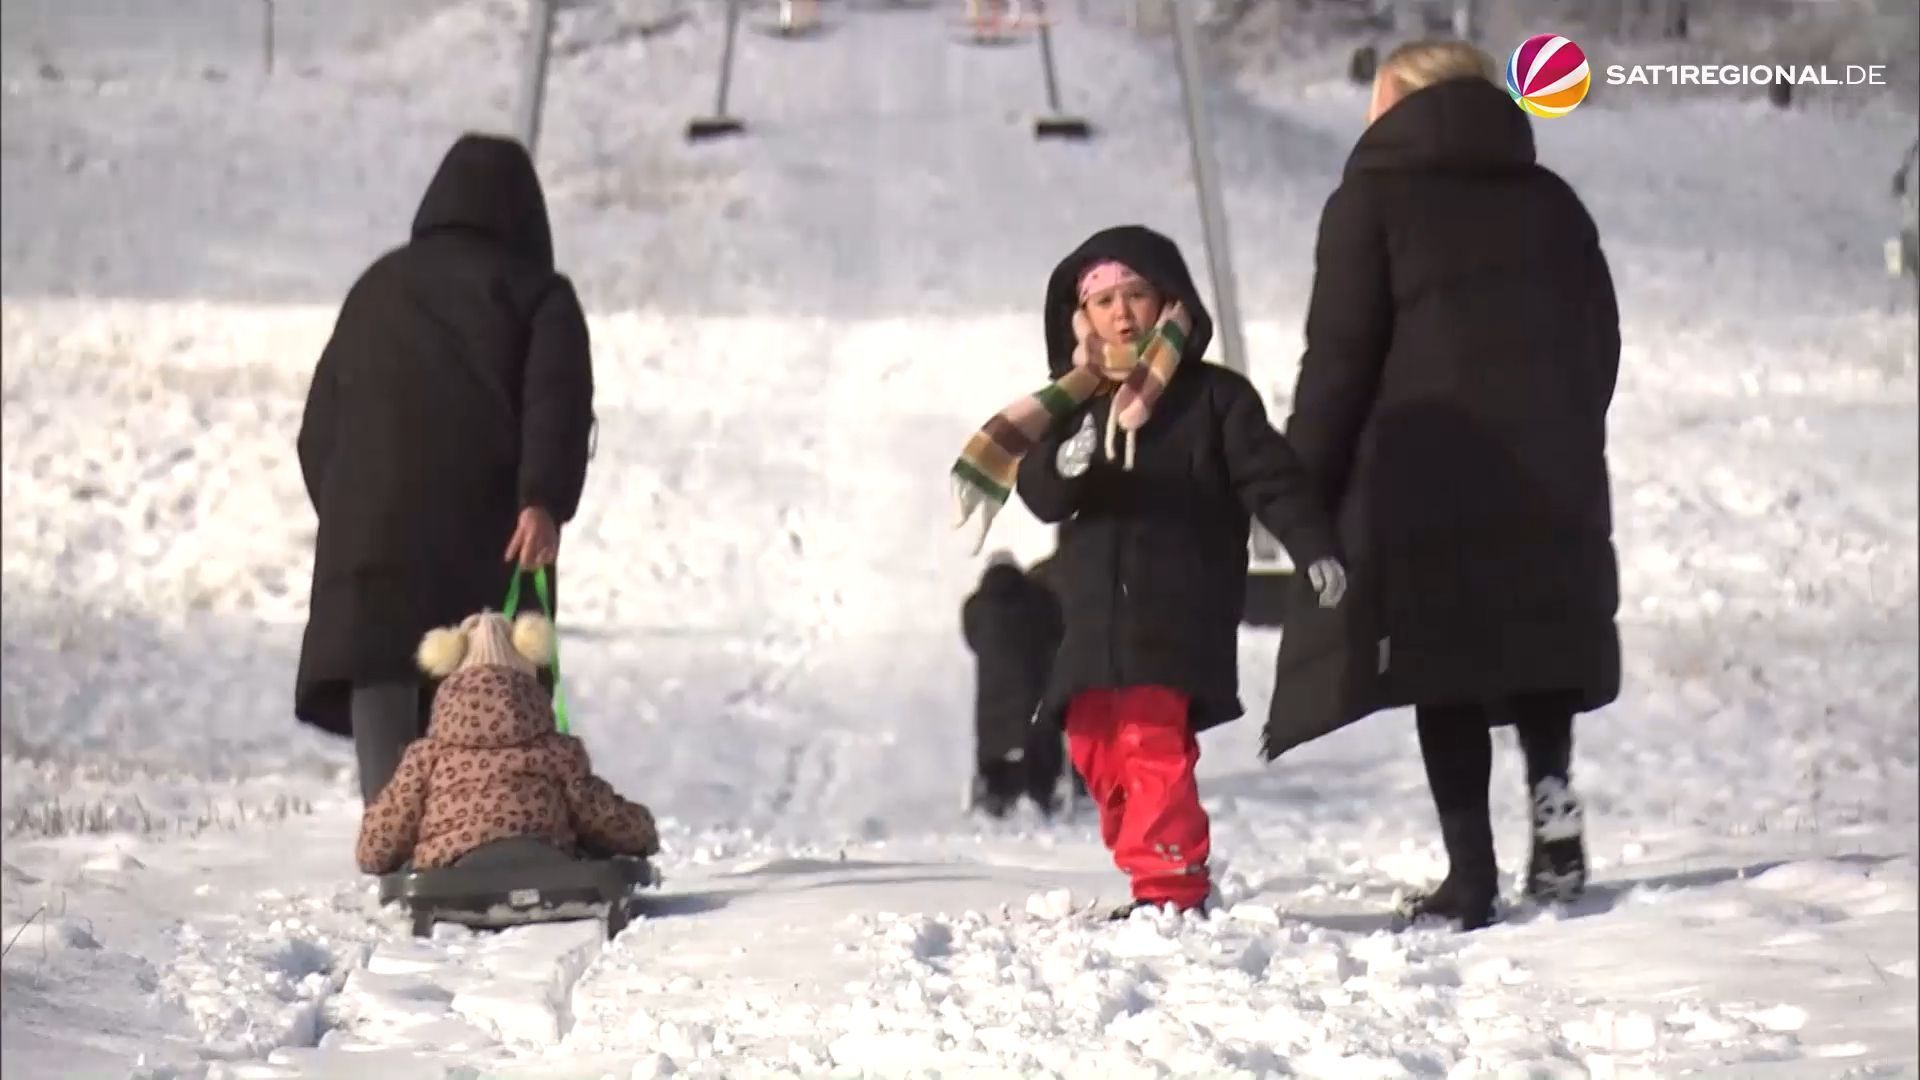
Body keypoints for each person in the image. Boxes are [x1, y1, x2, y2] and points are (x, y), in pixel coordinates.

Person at [1261, 41, 1623, 930]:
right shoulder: (1552, 201)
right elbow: (1600, 338)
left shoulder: (1370, 202)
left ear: (1396, 99)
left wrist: (1296, 483)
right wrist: (1567, 424)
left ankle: (1472, 878)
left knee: (1444, 665)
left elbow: (1338, 363)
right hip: (1549, 462)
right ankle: (1553, 805)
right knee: (1538, 641)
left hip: (1424, 470)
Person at [951, 225, 1347, 919]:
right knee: (1095, 745)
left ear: (1168, 301)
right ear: (1084, 317)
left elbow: (1273, 480)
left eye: (1136, 295)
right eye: (1105, 301)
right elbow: (1044, 496)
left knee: (1148, 738)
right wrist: (1068, 460)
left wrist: (1313, 546)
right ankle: (1154, 863)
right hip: (1093, 614)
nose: (1122, 313)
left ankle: (1170, 887)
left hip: (1176, 604)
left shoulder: (1216, 399)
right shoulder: (1073, 403)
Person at [296, 133, 595, 806]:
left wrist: (352, 512)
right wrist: (542, 500)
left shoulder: (376, 288)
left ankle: (396, 846)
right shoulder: (539, 295)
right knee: (489, 695)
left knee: (387, 693)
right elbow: (558, 401)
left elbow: (319, 429)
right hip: (486, 545)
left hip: (372, 557)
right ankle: (485, 849)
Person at [356, 610, 658, 875]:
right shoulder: (556, 751)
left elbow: (380, 843)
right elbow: (599, 813)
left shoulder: (427, 756)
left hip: (450, 876)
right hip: (546, 867)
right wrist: (641, 832)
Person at [962, 552, 1067, 818]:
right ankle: (1041, 795)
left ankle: (995, 797)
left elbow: (973, 641)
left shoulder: (975, 606)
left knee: (994, 748)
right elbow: (1058, 629)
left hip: (992, 704)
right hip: (1035, 694)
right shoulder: (1041, 599)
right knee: (1040, 743)